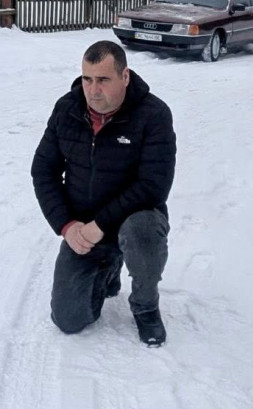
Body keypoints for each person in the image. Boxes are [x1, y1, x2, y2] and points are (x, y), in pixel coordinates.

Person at [31, 40, 177, 346]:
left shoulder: (153, 115)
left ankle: (145, 305)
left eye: (103, 80)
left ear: (125, 76)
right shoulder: (67, 109)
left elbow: (153, 186)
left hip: (133, 220)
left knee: (142, 230)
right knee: (68, 320)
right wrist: (67, 226)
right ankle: (107, 269)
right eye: (87, 79)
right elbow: (43, 170)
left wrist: (101, 225)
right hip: (85, 228)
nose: (93, 90)